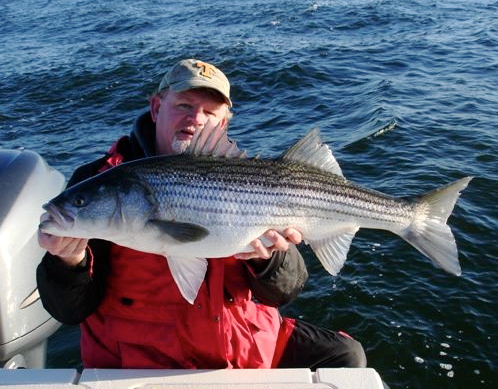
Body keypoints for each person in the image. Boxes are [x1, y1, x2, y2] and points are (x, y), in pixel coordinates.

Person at [37, 59, 367, 369]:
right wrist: (68, 264)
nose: (196, 118)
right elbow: (70, 310)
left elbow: (285, 291)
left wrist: (266, 259)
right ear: (156, 108)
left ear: (222, 124)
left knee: (346, 356)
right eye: (184, 105)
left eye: (209, 111)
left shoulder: (253, 177)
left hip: (240, 349)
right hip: (142, 363)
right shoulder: (100, 179)